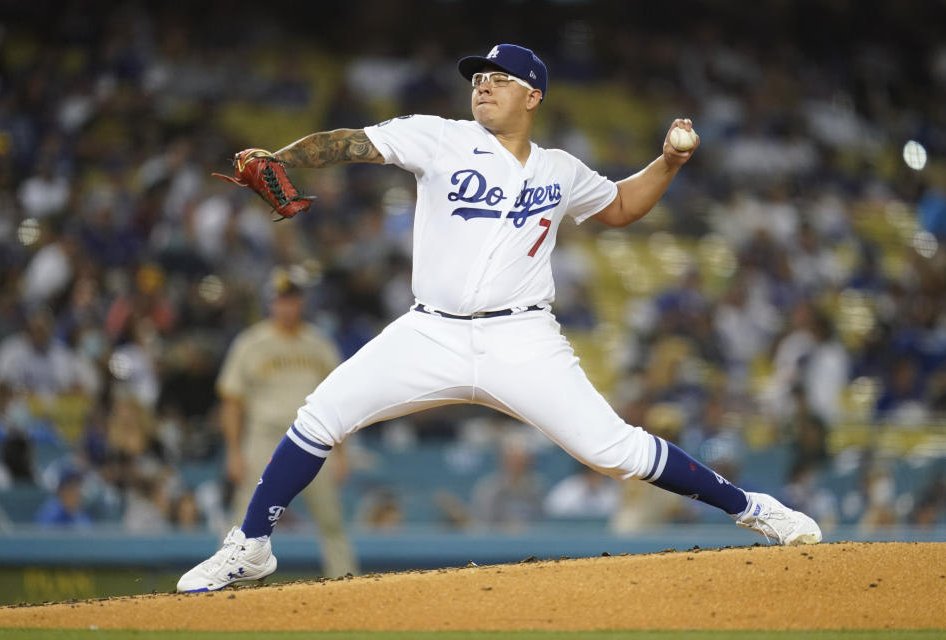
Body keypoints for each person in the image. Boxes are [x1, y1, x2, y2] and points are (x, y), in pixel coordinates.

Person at [177, 43, 821, 592]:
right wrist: (284, 157)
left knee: (613, 449)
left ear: (533, 95)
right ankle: (251, 545)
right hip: (431, 330)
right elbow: (351, 143)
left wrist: (671, 163)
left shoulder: (559, 169)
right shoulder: (440, 136)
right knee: (320, 414)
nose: (482, 85)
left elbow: (622, 206)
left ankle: (754, 509)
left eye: (499, 78)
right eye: (478, 78)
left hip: (522, 335)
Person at [212, 267, 358, 578]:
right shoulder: (251, 343)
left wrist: (343, 454)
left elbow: (339, 398)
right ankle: (231, 584)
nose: (287, 306)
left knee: (330, 518)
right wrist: (234, 452)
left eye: (292, 299)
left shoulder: (319, 343)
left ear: (301, 303)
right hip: (264, 436)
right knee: (245, 519)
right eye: (281, 299)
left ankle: (344, 582)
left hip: (315, 437)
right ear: (271, 303)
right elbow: (232, 402)